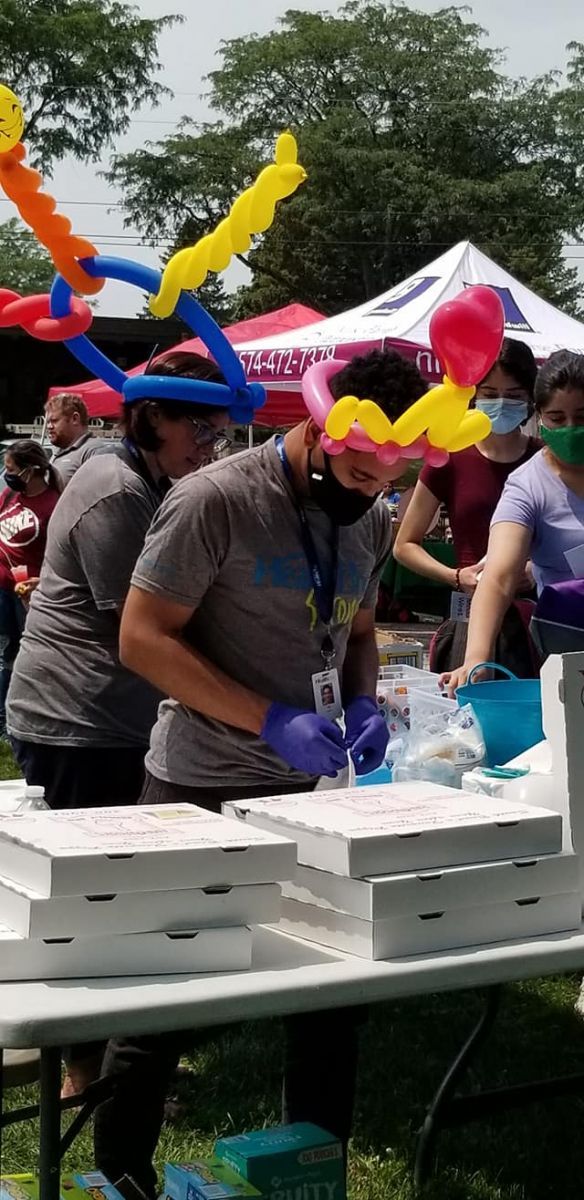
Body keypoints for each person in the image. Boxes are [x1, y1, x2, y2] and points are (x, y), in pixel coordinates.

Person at [92, 349, 427, 1196]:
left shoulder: (370, 511)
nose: (368, 490)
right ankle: (119, 1176)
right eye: (356, 469)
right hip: (199, 786)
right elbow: (142, 638)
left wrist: (362, 702)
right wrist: (270, 719)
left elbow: (355, 629)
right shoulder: (213, 499)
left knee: (328, 997)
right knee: (160, 1000)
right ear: (318, 425)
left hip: (311, 801)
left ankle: (313, 1171)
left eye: (391, 476)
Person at [8, 351, 230, 810]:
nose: (209, 446)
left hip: (106, 720)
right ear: (153, 417)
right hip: (78, 723)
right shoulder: (118, 487)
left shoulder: (149, 482)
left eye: (219, 435)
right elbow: (141, 624)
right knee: (94, 872)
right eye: (201, 429)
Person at [394, 338, 540, 674]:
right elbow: (404, 545)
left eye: (514, 396)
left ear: (531, 398)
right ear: (474, 395)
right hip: (470, 619)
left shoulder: (544, 459)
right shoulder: (448, 458)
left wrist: (536, 570)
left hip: (535, 618)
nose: (501, 403)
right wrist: (457, 576)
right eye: (490, 394)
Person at [442, 350, 584, 695]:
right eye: (556, 418)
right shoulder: (527, 484)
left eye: (581, 417)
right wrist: (477, 656)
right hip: (572, 660)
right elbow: (500, 575)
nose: (570, 429)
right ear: (539, 418)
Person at [0, 440, 61, 734]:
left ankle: (25, 715)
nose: (6, 473)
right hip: (2, 587)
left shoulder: (53, 503)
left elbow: (59, 553)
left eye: (11, 469)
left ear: (29, 471)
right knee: (6, 651)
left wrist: (44, 582)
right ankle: (2, 716)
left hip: (29, 591)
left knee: (27, 653)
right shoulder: (10, 495)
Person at [45, 392, 112, 484]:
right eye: (48, 422)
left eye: (54, 421)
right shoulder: (58, 452)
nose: (49, 426)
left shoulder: (95, 451)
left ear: (75, 419)